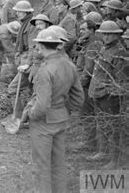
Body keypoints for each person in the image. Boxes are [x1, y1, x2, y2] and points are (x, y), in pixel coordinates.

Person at [22, 29, 84, 193]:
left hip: (43, 123)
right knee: (58, 163)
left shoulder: (45, 70)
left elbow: (42, 106)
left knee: (41, 166)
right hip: (61, 119)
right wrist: (64, 110)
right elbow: (78, 98)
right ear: (58, 45)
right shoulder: (69, 65)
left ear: (41, 46)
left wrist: (30, 114)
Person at [87, 21, 128, 168]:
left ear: (117, 35)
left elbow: (119, 79)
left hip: (109, 96)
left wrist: (110, 94)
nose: (106, 37)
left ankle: (114, 159)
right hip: (97, 92)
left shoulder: (119, 52)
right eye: (104, 34)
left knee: (112, 128)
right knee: (101, 125)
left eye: (109, 34)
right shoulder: (105, 49)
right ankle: (103, 152)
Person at [75, 20, 104, 148]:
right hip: (85, 82)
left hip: (86, 84)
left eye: (84, 29)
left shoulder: (93, 44)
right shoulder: (88, 42)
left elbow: (89, 69)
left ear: (92, 30)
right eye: (80, 29)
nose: (81, 32)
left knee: (86, 113)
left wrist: (79, 85)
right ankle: (89, 141)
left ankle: (89, 142)